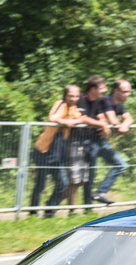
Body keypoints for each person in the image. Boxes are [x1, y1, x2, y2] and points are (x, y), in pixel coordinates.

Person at [29, 85, 82, 217]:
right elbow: (52, 117)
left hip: (57, 153)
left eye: (76, 96)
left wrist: (73, 122)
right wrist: (66, 122)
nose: (73, 98)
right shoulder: (60, 104)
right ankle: (32, 212)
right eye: (71, 95)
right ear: (65, 96)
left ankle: (49, 209)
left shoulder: (74, 109)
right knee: (40, 184)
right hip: (44, 151)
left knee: (62, 184)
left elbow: (80, 118)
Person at [76, 75, 126, 205]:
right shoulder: (80, 99)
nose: (105, 91)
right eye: (102, 88)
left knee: (120, 164)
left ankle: (100, 192)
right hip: (84, 141)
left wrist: (103, 125)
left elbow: (101, 116)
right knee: (89, 175)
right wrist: (102, 125)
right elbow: (83, 118)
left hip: (99, 141)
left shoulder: (99, 100)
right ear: (93, 89)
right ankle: (87, 205)